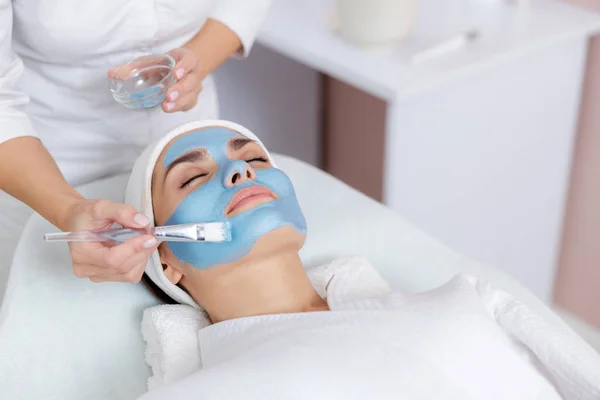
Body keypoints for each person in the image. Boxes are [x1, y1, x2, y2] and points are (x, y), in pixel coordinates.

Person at [125, 120, 600, 399]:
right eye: (192, 179)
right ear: (166, 260)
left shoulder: (465, 300)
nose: (240, 169)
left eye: (254, 158)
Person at [0, 0, 272, 303]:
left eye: (255, 158)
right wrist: (67, 210)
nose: (242, 172)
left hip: (186, 131)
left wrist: (193, 65)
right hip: (44, 168)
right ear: (169, 269)